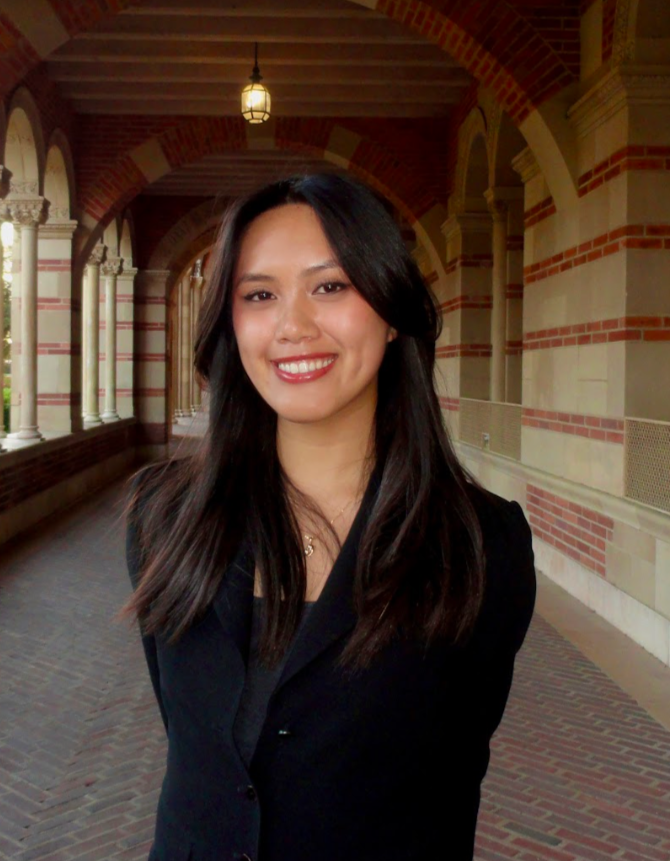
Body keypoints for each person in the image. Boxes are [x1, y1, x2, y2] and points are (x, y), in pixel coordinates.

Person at [123, 172, 536, 861]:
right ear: (231, 322)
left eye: (331, 286)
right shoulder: (164, 517)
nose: (293, 326)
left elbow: (455, 766)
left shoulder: (479, 544)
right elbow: (196, 744)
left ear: (391, 310)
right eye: (259, 295)